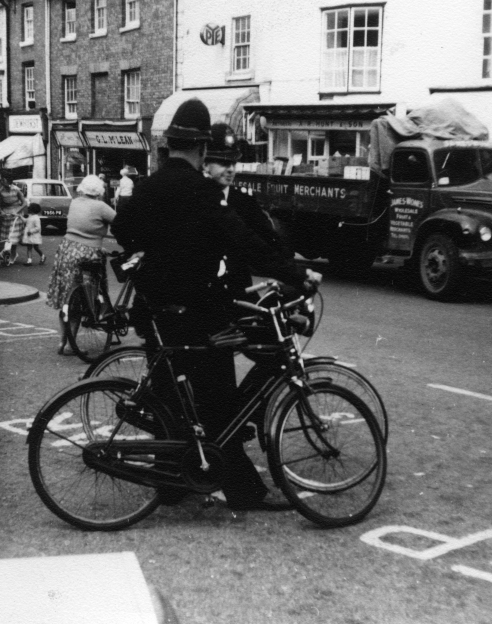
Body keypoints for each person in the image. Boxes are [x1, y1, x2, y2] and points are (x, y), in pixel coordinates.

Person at [112, 98, 321, 511]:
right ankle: (242, 491)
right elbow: (245, 243)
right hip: (198, 309)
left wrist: (158, 252)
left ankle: (172, 485)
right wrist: (297, 274)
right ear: (202, 149)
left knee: (173, 400)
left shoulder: (149, 186)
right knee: (219, 399)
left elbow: (123, 229)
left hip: (157, 309)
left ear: (169, 145)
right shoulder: (201, 191)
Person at [204, 122, 293, 300]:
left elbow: (269, 240)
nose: (230, 169)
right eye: (223, 163)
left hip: (239, 292)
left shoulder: (244, 201)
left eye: (233, 163)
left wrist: (291, 271)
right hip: (203, 296)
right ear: (205, 164)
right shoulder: (195, 197)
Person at [46, 174, 116, 355]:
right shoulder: (101, 206)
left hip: (67, 250)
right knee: (82, 299)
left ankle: (62, 342)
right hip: (88, 253)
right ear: (99, 191)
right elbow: (121, 223)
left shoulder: (75, 202)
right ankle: (71, 345)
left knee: (66, 297)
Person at [0, 170, 27, 265]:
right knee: (5, 238)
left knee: (13, 238)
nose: (2, 181)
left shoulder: (16, 189)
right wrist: (2, 212)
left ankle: (13, 254)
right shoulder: (0, 191)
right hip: (5, 216)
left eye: (3, 180)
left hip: (16, 216)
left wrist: (17, 211)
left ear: (6, 180)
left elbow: (24, 203)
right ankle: (6, 254)